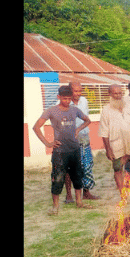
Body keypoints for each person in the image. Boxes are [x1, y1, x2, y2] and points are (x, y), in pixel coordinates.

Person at [34, 85, 92, 215]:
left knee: (77, 176)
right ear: (58, 97)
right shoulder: (51, 111)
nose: (67, 101)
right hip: (60, 152)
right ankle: (55, 207)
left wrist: (77, 129)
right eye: (64, 98)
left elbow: (87, 120)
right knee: (58, 178)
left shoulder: (75, 110)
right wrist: (48, 143)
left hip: (75, 149)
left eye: (69, 99)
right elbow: (36, 127)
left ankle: (79, 202)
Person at [98, 83, 130, 196]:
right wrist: (108, 150)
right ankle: (123, 196)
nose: (118, 95)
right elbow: (104, 132)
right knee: (118, 169)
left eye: (120, 93)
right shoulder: (106, 110)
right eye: (115, 93)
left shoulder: (129, 107)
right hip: (116, 145)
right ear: (110, 94)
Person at [63, 80, 100, 203]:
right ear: (70, 91)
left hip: (84, 137)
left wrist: (79, 129)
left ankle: (86, 192)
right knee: (69, 168)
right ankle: (69, 196)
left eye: (80, 91)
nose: (78, 93)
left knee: (87, 165)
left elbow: (86, 118)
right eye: (75, 91)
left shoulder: (84, 101)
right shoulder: (62, 103)